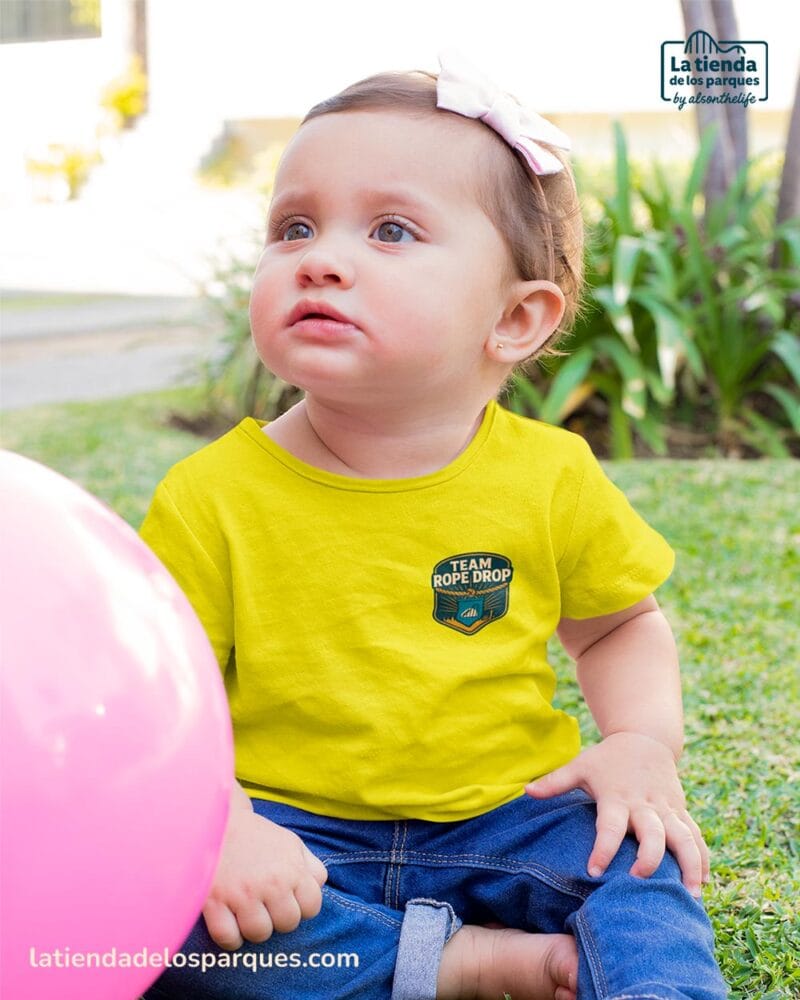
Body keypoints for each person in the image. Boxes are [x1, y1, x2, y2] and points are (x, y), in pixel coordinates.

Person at [140, 50, 727, 1000]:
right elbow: (162, 700)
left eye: (392, 230)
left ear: (516, 318)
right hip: (292, 831)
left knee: (645, 866)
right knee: (164, 924)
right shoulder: (211, 495)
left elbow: (620, 624)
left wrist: (640, 744)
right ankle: (467, 964)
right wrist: (222, 823)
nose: (321, 257)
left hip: (511, 815)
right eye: (293, 226)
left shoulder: (548, 476)